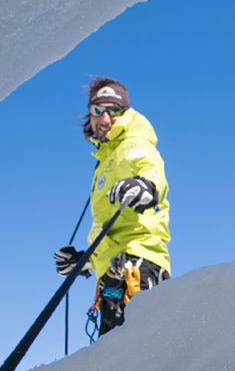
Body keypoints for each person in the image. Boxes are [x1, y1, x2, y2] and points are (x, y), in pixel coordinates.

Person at [54, 77, 170, 336]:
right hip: (111, 274)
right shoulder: (105, 160)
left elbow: (152, 170)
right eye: (97, 110)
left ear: (125, 113)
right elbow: (110, 230)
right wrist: (85, 261)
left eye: (113, 111)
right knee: (116, 365)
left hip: (139, 263)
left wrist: (146, 186)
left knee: (140, 354)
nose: (104, 119)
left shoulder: (134, 144)